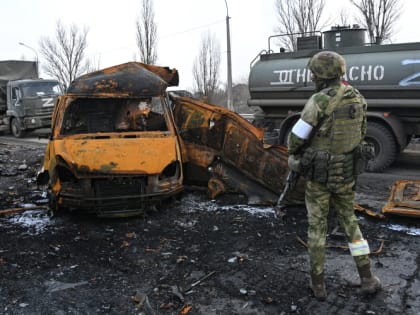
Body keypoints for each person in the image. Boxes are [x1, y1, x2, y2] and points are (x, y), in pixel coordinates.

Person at [287, 51, 381, 300]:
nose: (311, 77)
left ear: (321, 75)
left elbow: (294, 140)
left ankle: (318, 285)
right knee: (350, 223)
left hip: (319, 178)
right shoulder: (358, 98)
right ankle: (368, 278)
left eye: (313, 73)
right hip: (347, 175)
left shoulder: (319, 101)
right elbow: (361, 135)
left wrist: (297, 155)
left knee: (317, 227)